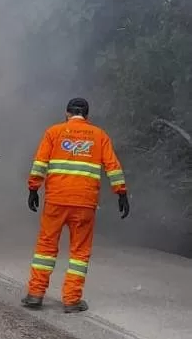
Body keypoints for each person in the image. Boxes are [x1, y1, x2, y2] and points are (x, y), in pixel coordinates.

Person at [21, 97, 130, 313]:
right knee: (79, 252)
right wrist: (122, 194)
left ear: (67, 113)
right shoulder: (99, 136)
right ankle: (71, 300)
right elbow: (113, 167)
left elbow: (40, 163)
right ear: (87, 116)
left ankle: (35, 294)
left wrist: (33, 188)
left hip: (56, 200)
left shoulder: (53, 132)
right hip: (84, 203)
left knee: (46, 247)